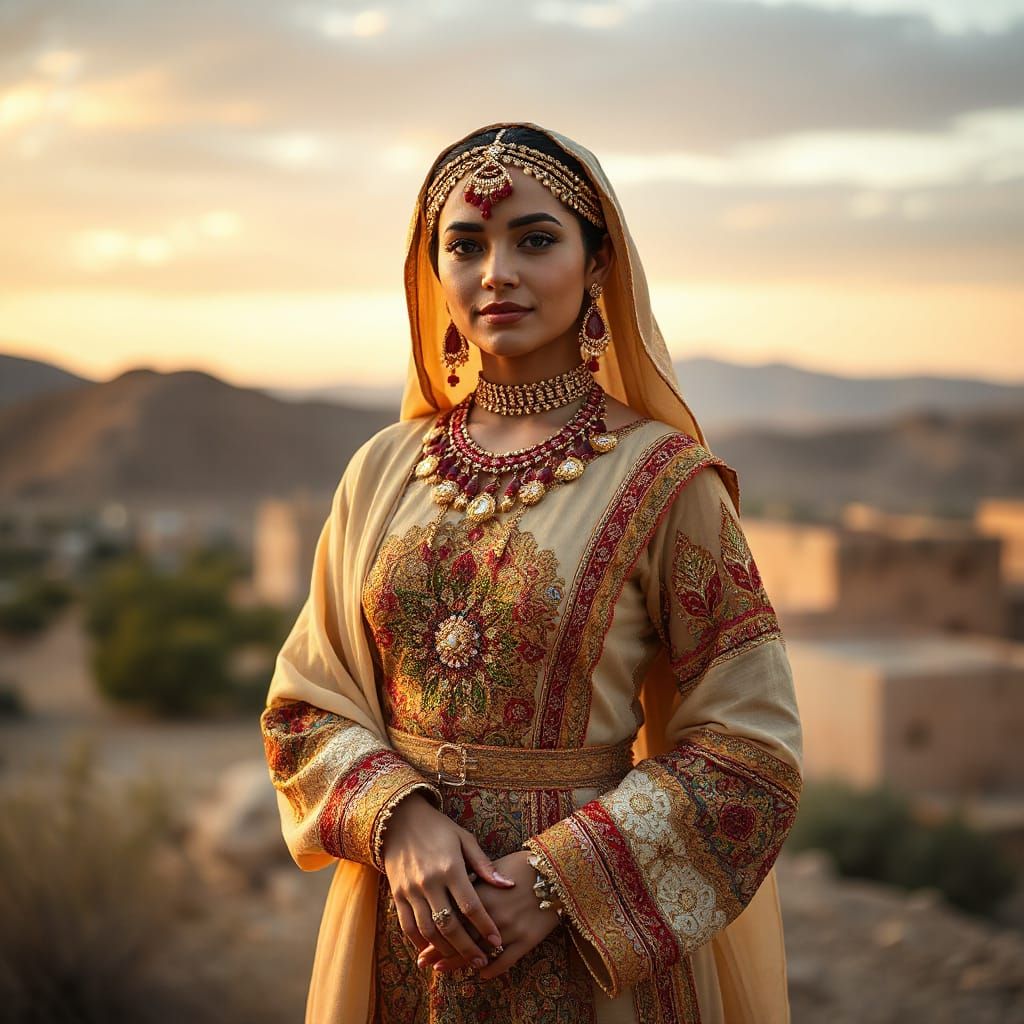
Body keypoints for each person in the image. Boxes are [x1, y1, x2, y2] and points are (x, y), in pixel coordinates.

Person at [260, 122, 803, 1024]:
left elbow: (751, 754)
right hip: (399, 923)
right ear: (434, 269)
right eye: (465, 245)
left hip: (591, 952)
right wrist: (400, 819)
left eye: (536, 239)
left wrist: (556, 882)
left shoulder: (670, 483)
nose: (496, 273)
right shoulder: (381, 471)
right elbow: (303, 708)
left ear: (598, 263)